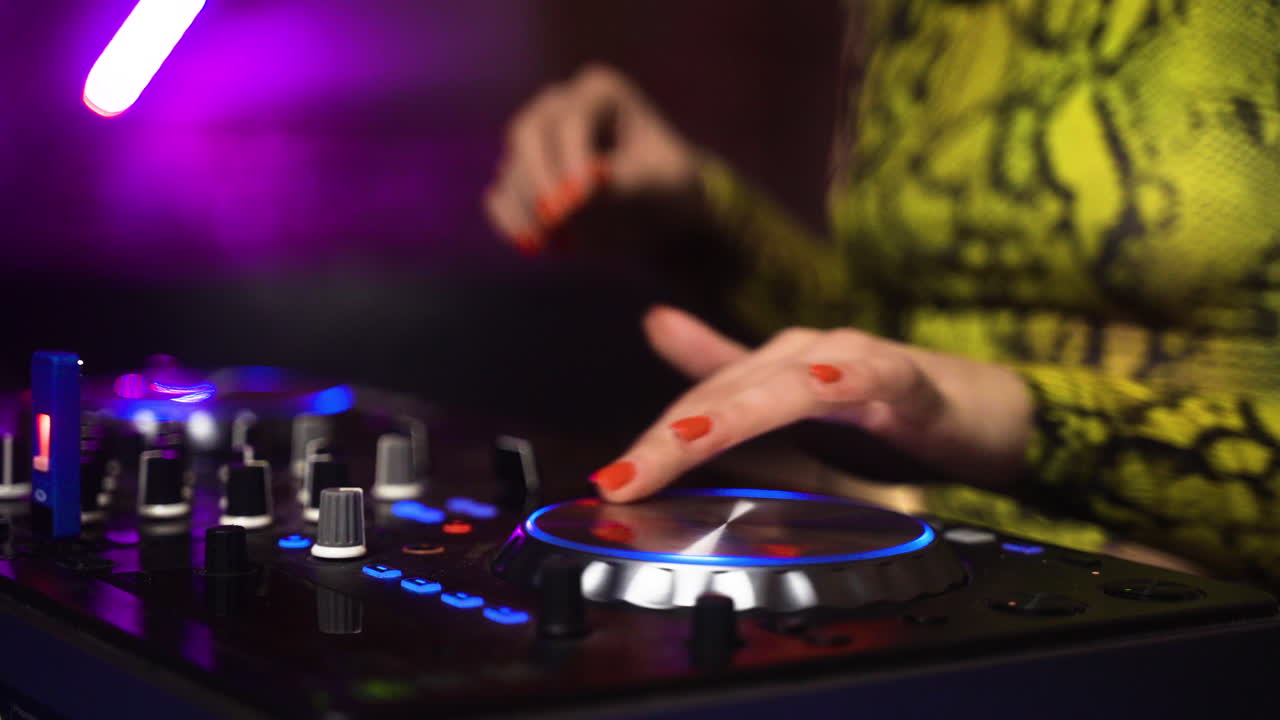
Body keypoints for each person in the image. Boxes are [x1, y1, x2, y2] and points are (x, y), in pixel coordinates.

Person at [484, 0, 1280, 590]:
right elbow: (905, 342)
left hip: (1190, 621)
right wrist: (698, 212)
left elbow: (966, 393)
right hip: (922, 570)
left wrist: (1020, 421)